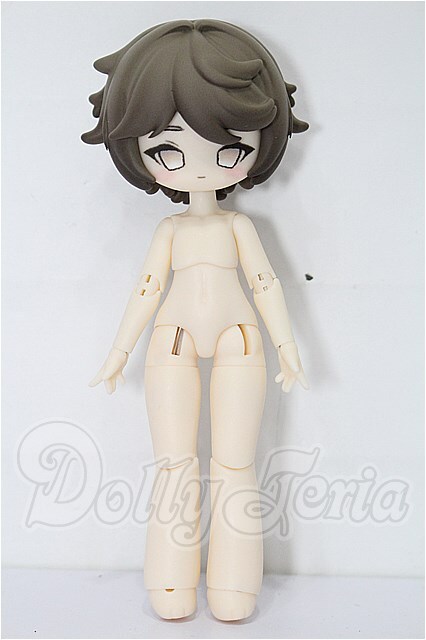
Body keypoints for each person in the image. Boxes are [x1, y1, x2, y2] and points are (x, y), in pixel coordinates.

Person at [83, 19, 309, 621]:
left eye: (228, 147)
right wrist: (118, 351)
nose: (201, 167)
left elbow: (264, 283)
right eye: (168, 150)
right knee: (175, 465)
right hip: (174, 340)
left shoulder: (239, 226)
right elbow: (148, 287)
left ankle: (235, 586)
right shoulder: (169, 229)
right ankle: (170, 583)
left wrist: (287, 346)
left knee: (235, 464)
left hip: (239, 340)